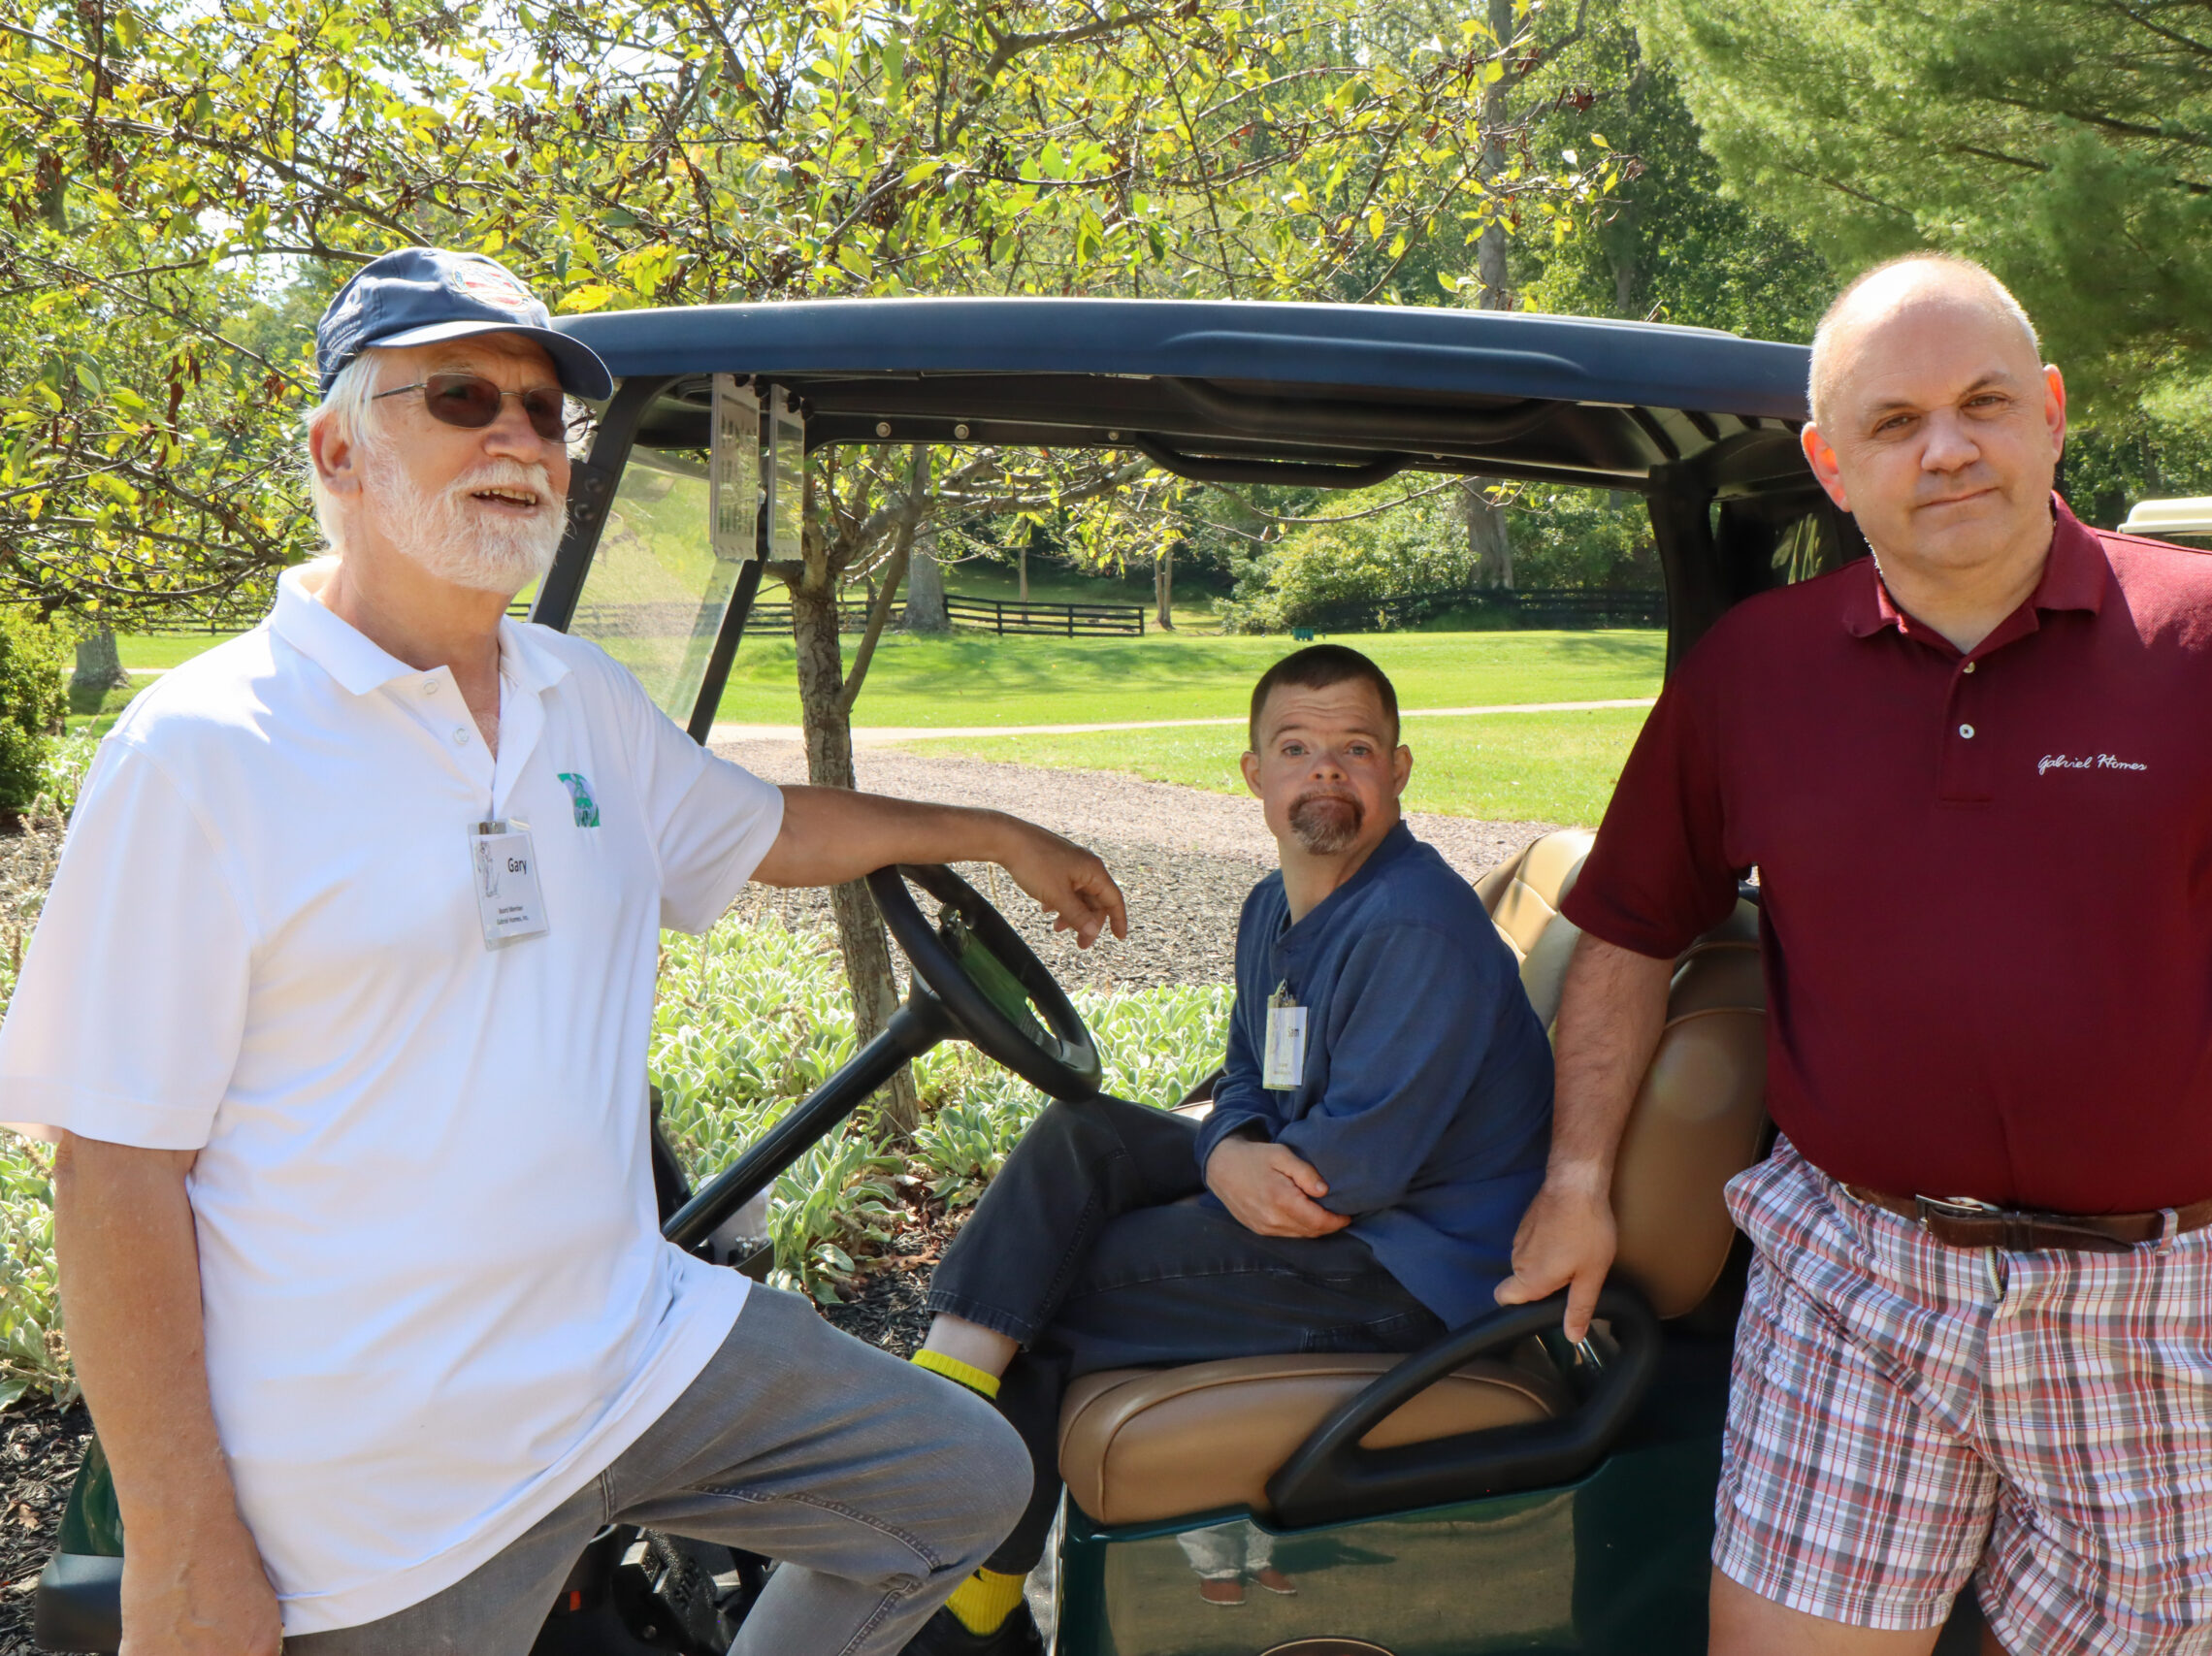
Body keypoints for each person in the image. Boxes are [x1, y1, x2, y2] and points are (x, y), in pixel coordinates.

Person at [0, 246, 1133, 1656]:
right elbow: (112, 1164)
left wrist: (986, 826)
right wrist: (181, 1544)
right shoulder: (204, 752)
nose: (518, 439)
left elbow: (765, 824)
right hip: (390, 1486)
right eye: (463, 396)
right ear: (338, 446)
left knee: (959, 1478)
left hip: (630, 1349)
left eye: (545, 413)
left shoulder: (571, 695)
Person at [1495, 253, 2212, 1656]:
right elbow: (1631, 930)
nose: (1946, 447)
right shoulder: (1753, 673)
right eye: (1894, 422)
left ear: (2054, 414)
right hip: (1857, 1271)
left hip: (2176, 1300)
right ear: (1833, 463)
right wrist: (1578, 1178)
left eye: (1984, 402)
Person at [895, 644, 1553, 1655]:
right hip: (1311, 1196)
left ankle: (960, 1594)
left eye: (1355, 749)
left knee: (1045, 1284)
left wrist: (1228, 1157)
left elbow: (1349, 1180)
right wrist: (1228, 1146)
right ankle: (943, 1431)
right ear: (1254, 773)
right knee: (1086, 1140)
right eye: (1296, 747)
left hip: (1407, 1271)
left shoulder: (1413, 927)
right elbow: (1246, 1076)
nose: (1325, 771)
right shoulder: (1272, 910)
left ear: (1398, 769)